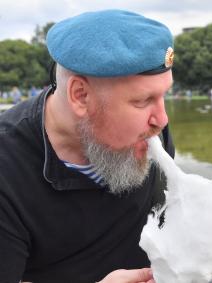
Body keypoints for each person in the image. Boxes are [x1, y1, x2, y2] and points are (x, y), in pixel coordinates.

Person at [0, 9, 176, 283]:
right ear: (80, 95)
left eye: (164, 95)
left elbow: (167, 218)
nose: (162, 119)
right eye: (142, 100)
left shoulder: (150, 134)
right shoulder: (7, 169)